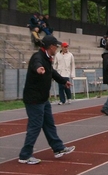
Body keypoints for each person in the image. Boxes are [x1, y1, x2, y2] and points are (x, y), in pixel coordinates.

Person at [18, 35, 75, 165]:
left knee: (49, 124)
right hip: (34, 99)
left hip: (43, 99)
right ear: (51, 47)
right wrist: (38, 68)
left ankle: (58, 148)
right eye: (56, 46)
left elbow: (52, 72)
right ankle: (25, 155)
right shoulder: (38, 57)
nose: (58, 48)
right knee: (35, 126)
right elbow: (36, 64)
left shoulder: (47, 58)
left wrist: (63, 81)